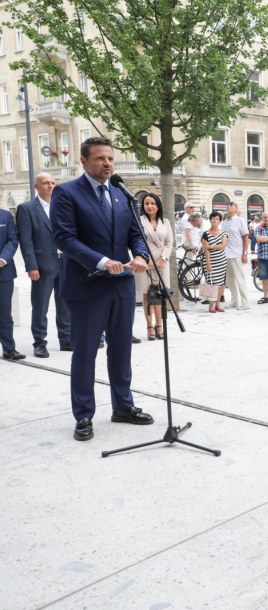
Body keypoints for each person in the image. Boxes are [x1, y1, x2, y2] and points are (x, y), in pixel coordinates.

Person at [50, 136, 153, 441]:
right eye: (100, 159)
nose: (107, 163)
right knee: (85, 354)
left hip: (121, 284)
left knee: (121, 350)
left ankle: (123, 406)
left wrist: (140, 255)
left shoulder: (122, 194)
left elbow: (135, 233)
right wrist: (100, 261)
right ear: (83, 161)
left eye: (110, 158)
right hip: (87, 286)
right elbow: (64, 238)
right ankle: (83, 415)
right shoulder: (67, 193)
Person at [16, 172, 71, 356]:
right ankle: (39, 342)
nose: (50, 186)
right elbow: (26, 240)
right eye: (46, 183)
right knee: (40, 306)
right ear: (36, 186)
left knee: (64, 304)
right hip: (42, 265)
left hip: (64, 263)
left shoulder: (63, 207)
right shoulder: (27, 208)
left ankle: (66, 339)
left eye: (53, 182)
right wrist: (31, 266)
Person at [135, 193, 174, 338]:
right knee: (146, 294)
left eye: (152, 203)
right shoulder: (138, 221)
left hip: (162, 262)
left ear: (158, 205)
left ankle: (160, 325)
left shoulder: (165, 222)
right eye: (146, 203)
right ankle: (149, 326)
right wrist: (145, 258)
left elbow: (169, 242)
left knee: (159, 294)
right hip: (144, 261)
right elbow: (135, 240)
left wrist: (162, 258)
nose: (149, 206)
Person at [0, 207, 23, 361]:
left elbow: (13, 240)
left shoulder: (5, 215)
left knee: (4, 314)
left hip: (3, 272)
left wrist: (3, 259)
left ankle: (9, 349)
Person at [222, 202, 250, 310]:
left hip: (237, 253)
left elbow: (245, 237)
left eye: (231, 205)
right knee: (230, 280)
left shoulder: (240, 220)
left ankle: (246, 302)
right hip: (226, 254)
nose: (228, 206)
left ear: (236, 208)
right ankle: (234, 301)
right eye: (227, 204)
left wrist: (245, 253)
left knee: (240, 278)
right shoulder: (224, 222)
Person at [201, 211, 228, 313]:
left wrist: (211, 246)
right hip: (209, 261)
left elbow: (222, 246)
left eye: (217, 219)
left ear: (220, 221)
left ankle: (218, 304)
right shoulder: (205, 234)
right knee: (210, 283)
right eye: (213, 218)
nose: (215, 220)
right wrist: (208, 264)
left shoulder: (224, 233)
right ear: (210, 220)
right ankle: (211, 304)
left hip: (221, 261)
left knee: (220, 284)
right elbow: (205, 249)